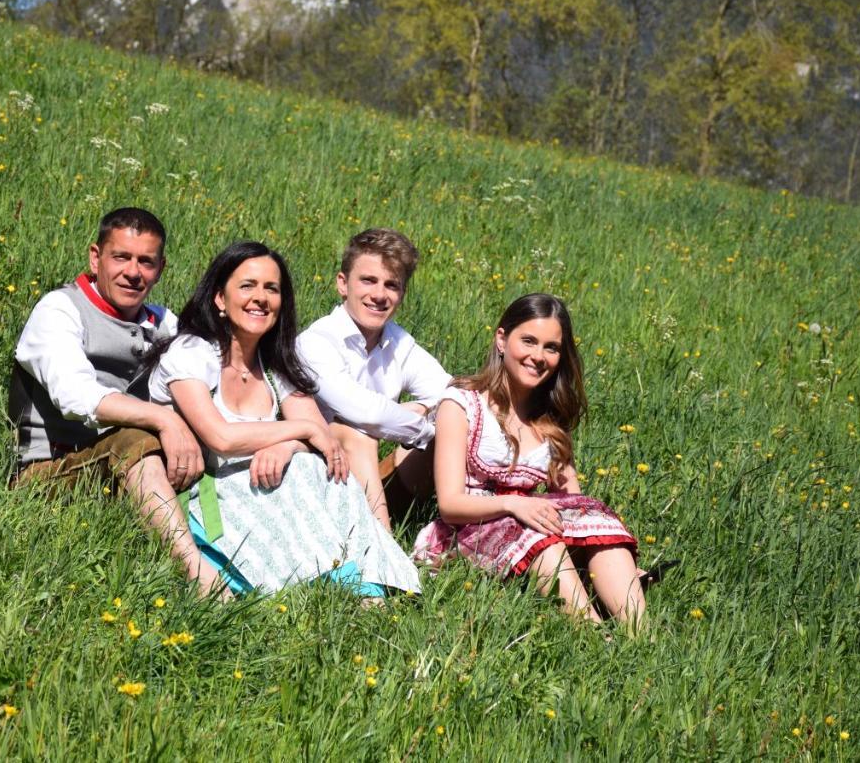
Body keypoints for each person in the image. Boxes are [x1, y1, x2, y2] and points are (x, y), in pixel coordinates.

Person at [146, 241, 422, 597]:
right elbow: (222, 438)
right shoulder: (193, 352)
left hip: (262, 482)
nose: (260, 297)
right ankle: (313, 580)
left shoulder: (276, 363)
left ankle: (369, 583)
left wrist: (288, 445)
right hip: (211, 490)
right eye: (247, 286)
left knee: (323, 469)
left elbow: (322, 437)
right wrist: (301, 430)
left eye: (271, 289)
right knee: (306, 470)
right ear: (219, 299)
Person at [9, 207, 221, 597]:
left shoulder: (163, 324)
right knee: (135, 439)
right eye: (120, 257)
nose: (133, 272)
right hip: (50, 469)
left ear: (161, 268)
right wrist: (166, 421)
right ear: (96, 257)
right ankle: (199, 576)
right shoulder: (60, 310)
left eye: (146, 261)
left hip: (129, 466)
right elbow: (77, 397)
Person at [413, 294, 645, 628]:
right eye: (529, 341)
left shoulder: (550, 420)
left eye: (551, 348)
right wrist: (514, 505)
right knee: (542, 540)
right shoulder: (462, 404)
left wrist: (594, 541)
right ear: (502, 340)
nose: (538, 356)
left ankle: (641, 637)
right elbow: (450, 504)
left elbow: (572, 501)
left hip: (529, 528)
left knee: (597, 518)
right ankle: (596, 637)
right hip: (467, 533)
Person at [297, 229, 450, 530]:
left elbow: (454, 394)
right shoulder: (316, 341)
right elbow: (366, 413)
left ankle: (454, 533)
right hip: (308, 475)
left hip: (360, 477)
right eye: (368, 281)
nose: (379, 295)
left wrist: (426, 415)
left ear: (402, 294)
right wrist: (423, 426)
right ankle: (383, 557)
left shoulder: (398, 341)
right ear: (343, 284)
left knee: (450, 427)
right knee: (356, 433)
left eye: (391, 285)